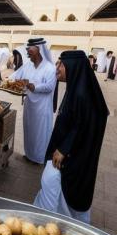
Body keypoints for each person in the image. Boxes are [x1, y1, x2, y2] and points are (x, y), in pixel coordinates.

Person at [34, 51, 109, 223]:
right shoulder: (75, 88)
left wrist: (64, 149)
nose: (57, 68)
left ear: (73, 67)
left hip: (72, 159)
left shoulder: (83, 95)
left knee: (55, 186)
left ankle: (53, 224)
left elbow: (85, 124)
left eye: (61, 64)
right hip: (63, 153)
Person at [10, 38, 56, 164]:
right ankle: (29, 155)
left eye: (30, 49)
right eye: (27, 49)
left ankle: (39, 158)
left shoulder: (49, 68)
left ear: (39, 50)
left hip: (42, 107)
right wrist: (7, 80)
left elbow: (50, 87)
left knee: (40, 133)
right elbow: (16, 76)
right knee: (29, 130)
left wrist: (32, 86)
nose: (27, 52)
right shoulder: (28, 65)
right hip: (29, 105)